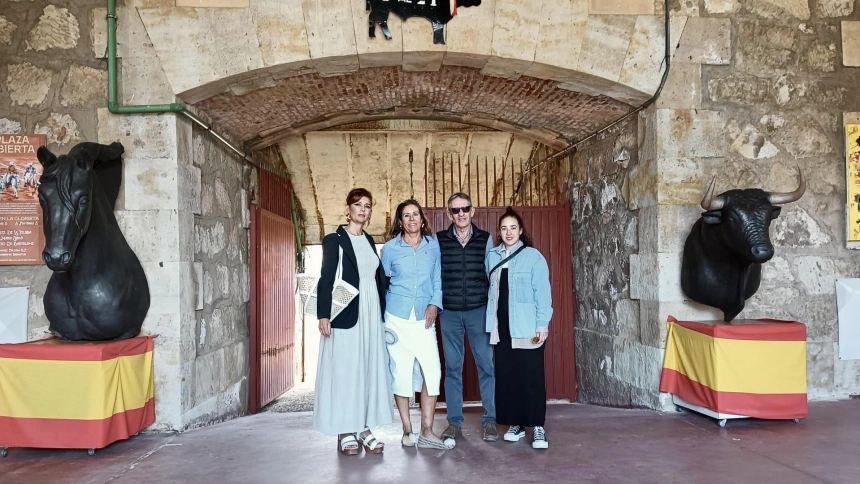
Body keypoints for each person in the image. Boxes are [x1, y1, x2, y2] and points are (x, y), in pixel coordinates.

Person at [313, 188, 393, 456]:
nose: (362, 209)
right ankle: (346, 430)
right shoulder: (334, 239)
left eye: (367, 206)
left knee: (367, 369)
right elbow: (326, 278)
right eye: (357, 204)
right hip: (346, 314)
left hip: (370, 314)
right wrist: (323, 314)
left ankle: (363, 427)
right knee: (347, 371)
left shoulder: (370, 240)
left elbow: (375, 278)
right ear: (348, 208)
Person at [381, 199, 454, 450]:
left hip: (425, 317)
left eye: (415, 214)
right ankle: (407, 429)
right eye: (406, 216)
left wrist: (434, 304)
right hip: (397, 317)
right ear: (400, 222)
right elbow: (382, 282)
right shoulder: (390, 249)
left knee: (432, 372)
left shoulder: (433, 246)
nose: (412, 219)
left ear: (422, 219)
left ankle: (427, 430)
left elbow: (437, 278)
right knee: (400, 373)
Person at [485, 207, 553, 450]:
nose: (509, 232)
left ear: (521, 230)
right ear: (499, 232)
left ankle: (537, 427)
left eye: (513, 227)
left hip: (526, 326)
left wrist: (542, 324)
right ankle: (515, 423)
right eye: (504, 228)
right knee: (508, 377)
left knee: (531, 376)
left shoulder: (533, 257)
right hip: (501, 328)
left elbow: (542, 293)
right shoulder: (493, 256)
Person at [436, 193, 498, 442]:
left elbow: (492, 276)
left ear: (473, 211)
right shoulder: (438, 240)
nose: (461, 214)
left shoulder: (485, 239)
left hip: (478, 311)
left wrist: (494, 312)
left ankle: (491, 420)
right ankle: (454, 422)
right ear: (449, 214)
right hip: (449, 313)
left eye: (465, 209)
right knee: (452, 368)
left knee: (486, 366)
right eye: (455, 210)